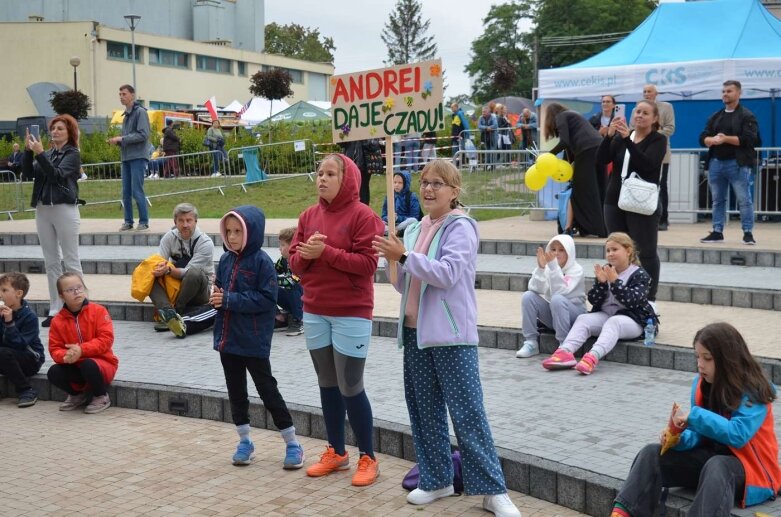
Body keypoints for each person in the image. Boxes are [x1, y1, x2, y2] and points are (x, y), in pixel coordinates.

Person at [371, 159, 521, 517]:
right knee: (424, 411)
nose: (428, 188)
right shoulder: (415, 228)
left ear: (454, 192)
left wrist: (404, 256)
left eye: (437, 183)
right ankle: (437, 478)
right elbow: (404, 283)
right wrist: (392, 261)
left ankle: (492, 490)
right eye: (424, 182)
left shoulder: (462, 227)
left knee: (468, 414)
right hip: (414, 332)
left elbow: (448, 273)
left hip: (451, 336)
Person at [611, 322, 781, 517]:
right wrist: (679, 439)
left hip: (752, 472)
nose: (700, 364)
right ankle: (623, 513)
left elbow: (738, 434)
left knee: (718, 464)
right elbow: (700, 434)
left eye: (707, 358)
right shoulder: (701, 385)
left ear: (727, 359)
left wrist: (695, 416)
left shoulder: (755, 390)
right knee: (651, 453)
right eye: (697, 357)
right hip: (710, 466)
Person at [288, 153, 384, 487]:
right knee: (327, 382)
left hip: (351, 313)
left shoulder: (364, 216)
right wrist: (303, 255)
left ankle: (368, 456)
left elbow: (368, 265)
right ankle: (337, 452)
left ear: (348, 179)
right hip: (315, 309)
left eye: (331, 173)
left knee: (350, 384)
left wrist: (324, 253)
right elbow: (295, 266)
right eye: (319, 173)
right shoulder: (308, 216)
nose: (323, 178)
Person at [209, 205, 304, 469]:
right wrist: (216, 294)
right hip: (228, 340)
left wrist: (227, 298)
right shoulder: (226, 259)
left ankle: (293, 443)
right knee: (236, 392)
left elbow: (266, 299)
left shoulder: (262, 262)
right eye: (228, 231)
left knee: (267, 390)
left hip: (253, 341)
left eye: (238, 231)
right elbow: (223, 291)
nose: (232, 236)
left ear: (252, 232)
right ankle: (245, 441)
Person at [542, 232, 656, 375]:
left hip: (633, 319)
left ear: (628, 251)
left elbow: (632, 301)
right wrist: (602, 284)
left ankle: (592, 357)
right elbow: (593, 300)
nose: (610, 254)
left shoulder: (640, 275)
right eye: (608, 250)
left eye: (615, 250)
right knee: (583, 319)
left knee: (614, 322)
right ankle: (565, 352)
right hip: (606, 315)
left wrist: (615, 282)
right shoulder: (605, 270)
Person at [598, 100, 666, 302]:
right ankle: (617, 293)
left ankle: (650, 298)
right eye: (637, 112)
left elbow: (647, 165)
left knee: (645, 251)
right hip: (614, 199)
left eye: (645, 113)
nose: (640, 116)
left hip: (642, 202)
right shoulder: (621, 137)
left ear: (654, 119)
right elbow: (602, 159)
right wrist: (610, 136)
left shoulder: (658, 140)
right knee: (617, 250)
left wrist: (627, 140)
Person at [22, 113, 84, 328]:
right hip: (43, 209)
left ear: (69, 132)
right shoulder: (46, 153)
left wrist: (40, 155)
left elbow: (57, 175)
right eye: (53, 128)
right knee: (51, 261)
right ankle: (56, 307)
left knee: (71, 259)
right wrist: (28, 152)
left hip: (64, 208)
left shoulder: (72, 154)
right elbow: (28, 174)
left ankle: (79, 306)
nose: (55, 132)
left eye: (60, 129)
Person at [47, 273, 118, 414]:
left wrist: (81, 350)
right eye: (70, 290)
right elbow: (55, 349)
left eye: (79, 287)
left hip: (102, 364)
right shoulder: (57, 321)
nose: (77, 292)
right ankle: (77, 395)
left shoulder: (98, 311)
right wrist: (66, 355)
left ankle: (101, 396)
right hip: (76, 365)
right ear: (61, 295)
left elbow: (106, 339)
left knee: (88, 364)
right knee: (54, 372)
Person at [699, 80, 760, 245]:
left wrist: (725, 139)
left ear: (739, 93)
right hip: (716, 163)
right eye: (724, 91)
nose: (725, 94)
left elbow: (749, 139)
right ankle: (717, 231)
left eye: (729, 91)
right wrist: (710, 140)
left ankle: (748, 233)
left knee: (744, 199)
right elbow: (703, 136)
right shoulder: (716, 116)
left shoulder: (747, 116)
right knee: (717, 200)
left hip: (737, 164)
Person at [149, 203, 214, 338]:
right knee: (148, 272)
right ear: (175, 222)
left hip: (200, 290)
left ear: (195, 221)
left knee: (194, 273)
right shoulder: (169, 237)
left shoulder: (205, 242)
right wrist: (160, 269)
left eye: (189, 220)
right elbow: (160, 262)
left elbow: (188, 272)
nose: (185, 225)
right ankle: (167, 311)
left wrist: (168, 270)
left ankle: (175, 314)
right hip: (177, 284)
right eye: (181, 221)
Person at [516, 234, 586, 358]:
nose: (556, 253)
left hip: (575, 317)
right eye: (553, 249)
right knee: (528, 296)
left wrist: (554, 268)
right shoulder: (549, 267)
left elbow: (562, 292)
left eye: (561, 250)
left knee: (557, 299)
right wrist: (541, 268)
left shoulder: (577, 270)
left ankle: (564, 346)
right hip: (555, 315)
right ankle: (531, 342)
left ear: (570, 252)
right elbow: (534, 288)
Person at [544, 102, 607, 237]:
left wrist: (548, 155)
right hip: (599, 147)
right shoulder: (574, 115)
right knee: (599, 187)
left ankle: (594, 227)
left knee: (582, 191)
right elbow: (570, 147)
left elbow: (565, 142)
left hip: (586, 151)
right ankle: (602, 227)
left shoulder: (561, 117)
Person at [108, 84, 150, 232]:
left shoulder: (140, 112)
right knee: (125, 191)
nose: (121, 96)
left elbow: (143, 135)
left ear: (132, 95)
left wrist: (122, 138)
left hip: (138, 157)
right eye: (119, 94)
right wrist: (118, 141)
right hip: (126, 157)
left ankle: (144, 221)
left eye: (124, 94)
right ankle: (128, 221)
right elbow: (128, 138)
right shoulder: (125, 115)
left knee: (136, 190)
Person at [0, 272, 44, 408]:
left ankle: (26, 390)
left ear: (19, 293)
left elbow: (19, 344)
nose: (0, 294)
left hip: (30, 359)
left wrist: (9, 323)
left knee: (3, 352)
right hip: (6, 358)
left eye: (4, 290)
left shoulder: (29, 316)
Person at [642, 85, 676, 231]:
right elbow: (632, 127)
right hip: (642, 152)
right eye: (644, 91)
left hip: (661, 153)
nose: (646, 94)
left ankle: (663, 218)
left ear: (656, 93)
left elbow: (670, 128)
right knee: (644, 185)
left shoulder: (666, 107)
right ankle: (647, 217)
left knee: (661, 186)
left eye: (649, 91)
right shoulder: (639, 108)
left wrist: (652, 134)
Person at [275, 226, 304, 337]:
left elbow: (293, 281)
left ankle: (298, 320)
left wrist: (275, 279)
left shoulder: (301, 260)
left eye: (283, 245)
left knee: (293, 285)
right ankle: (280, 317)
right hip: (292, 300)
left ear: (293, 246)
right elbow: (272, 273)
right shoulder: (282, 261)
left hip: (305, 300)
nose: (279, 248)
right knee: (268, 286)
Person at [381, 171, 421, 235]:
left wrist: (398, 218)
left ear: (405, 184)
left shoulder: (411, 197)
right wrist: (389, 218)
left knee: (413, 221)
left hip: (404, 223)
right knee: (377, 222)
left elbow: (415, 216)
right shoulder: (389, 196)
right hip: (390, 224)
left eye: (400, 183)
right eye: (395, 182)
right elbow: (383, 215)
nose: (396, 185)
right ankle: (394, 232)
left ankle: (394, 232)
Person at [450, 103, 472, 167]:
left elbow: (465, 124)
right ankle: (455, 164)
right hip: (455, 136)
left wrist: (468, 134)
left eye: (452, 107)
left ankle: (463, 163)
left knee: (462, 150)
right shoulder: (453, 115)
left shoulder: (460, 113)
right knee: (454, 150)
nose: (451, 109)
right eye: (451, 107)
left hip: (461, 136)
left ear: (456, 107)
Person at [478, 104, 498, 169]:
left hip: (493, 136)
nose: (483, 113)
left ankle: (493, 166)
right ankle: (486, 165)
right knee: (487, 151)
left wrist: (489, 127)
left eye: (484, 112)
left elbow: (495, 125)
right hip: (485, 136)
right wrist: (487, 128)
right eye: (482, 111)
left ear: (488, 112)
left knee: (493, 150)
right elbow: (479, 126)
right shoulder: (481, 117)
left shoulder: (493, 117)